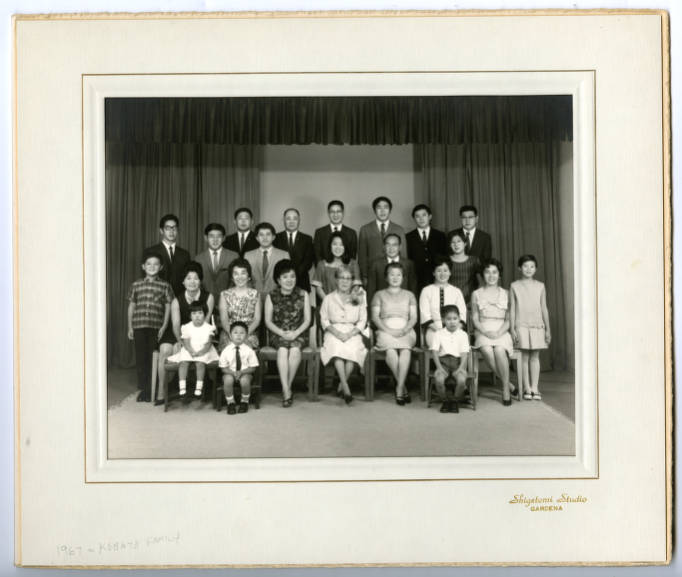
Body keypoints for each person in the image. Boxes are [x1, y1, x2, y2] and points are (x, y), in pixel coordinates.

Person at [156, 262, 215, 405]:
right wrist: (182, 342)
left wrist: (193, 344)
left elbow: (206, 325)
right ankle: (161, 392)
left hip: (200, 334)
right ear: (183, 281)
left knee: (193, 351)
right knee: (166, 349)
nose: (192, 282)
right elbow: (176, 324)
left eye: (195, 278)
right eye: (188, 278)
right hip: (179, 333)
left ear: (200, 281)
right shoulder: (177, 300)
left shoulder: (208, 297)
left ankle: (195, 388)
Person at [127, 251, 173, 402]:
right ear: (143, 266)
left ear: (160, 267)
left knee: (153, 356)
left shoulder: (165, 285)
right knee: (141, 358)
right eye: (149, 264)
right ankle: (144, 389)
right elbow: (132, 306)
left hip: (155, 326)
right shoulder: (136, 285)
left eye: (155, 264)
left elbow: (168, 307)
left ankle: (153, 388)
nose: (152, 267)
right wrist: (130, 327)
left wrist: (164, 326)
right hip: (139, 326)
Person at [264, 260, 311, 407]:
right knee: (283, 350)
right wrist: (281, 333)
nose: (289, 280)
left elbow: (308, 320)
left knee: (295, 350)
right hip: (278, 333)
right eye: (285, 277)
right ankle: (287, 389)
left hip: (299, 333)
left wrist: (296, 332)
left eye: (292, 276)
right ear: (278, 279)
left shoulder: (303, 294)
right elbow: (268, 321)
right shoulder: (271, 295)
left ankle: (286, 389)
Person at [319, 266, 368, 404]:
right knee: (336, 349)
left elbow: (363, 320)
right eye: (341, 278)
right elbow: (324, 319)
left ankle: (342, 384)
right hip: (333, 331)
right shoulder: (328, 298)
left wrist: (350, 334)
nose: (345, 281)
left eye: (348, 278)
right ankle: (346, 386)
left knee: (352, 350)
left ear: (352, 281)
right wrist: (337, 333)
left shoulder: (358, 297)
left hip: (352, 331)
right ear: (336, 280)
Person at [370, 262, 418, 405]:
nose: (395, 277)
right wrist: (388, 330)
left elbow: (414, 317)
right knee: (390, 350)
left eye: (398, 275)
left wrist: (404, 329)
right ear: (386, 277)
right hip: (385, 329)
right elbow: (375, 317)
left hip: (406, 329)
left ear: (403, 277)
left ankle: (399, 387)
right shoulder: (379, 294)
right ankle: (401, 388)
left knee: (405, 349)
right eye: (392, 274)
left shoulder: (409, 295)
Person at [471, 258, 516, 406]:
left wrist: (499, 332)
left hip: (501, 329)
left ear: (499, 274)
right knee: (486, 349)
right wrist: (484, 331)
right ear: (483, 275)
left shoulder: (507, 293)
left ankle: (505, 389)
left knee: (499, 349)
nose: (491, 276)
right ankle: (508, 383)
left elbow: (509, 319)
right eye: (487, 272)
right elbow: (475, 318)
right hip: (483, 329)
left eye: (494, 272)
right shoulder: (476, 294)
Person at [510, 254, 551, 401]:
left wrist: (548, 329)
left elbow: (544, 308)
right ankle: (527, 387)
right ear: (519, 268)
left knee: (535, 356)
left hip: (537, 325)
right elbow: (513, 309)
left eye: (532, 266)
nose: (529, 269)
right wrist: (513, 328)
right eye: (525, 266)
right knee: (524, 356)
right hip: (521, 324)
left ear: (536, 269)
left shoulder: (540, 286)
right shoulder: (514, 286)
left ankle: (535, 387)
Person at [167, 301, 219, 398]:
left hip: (204, 349)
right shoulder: (186, 327)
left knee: (200, 363)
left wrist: (200, 352)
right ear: (190, 316)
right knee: (183, 363)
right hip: (189, 348)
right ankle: (182, 387)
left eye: (200, 313)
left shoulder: (208, 328)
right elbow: (186, 342)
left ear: (204, 314)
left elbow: (208, 344)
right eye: (194, 313)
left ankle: (199, 387)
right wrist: (191, 351)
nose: (197, 316)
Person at [430, 305, 471, 414]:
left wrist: (461, 368)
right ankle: (445, 401)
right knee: (438, 380)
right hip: (443, 362)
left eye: (455, 318)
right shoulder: (439, 333)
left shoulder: (463, 334)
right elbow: (434, 352)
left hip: (458, 362)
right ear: (443, 320)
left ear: (459, 319)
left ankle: (454, 401)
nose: (452, 322)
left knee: (462, 380)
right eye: (448, 319)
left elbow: (464, 353)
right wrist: (439, 368)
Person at [419, 256, 467, 348]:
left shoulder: (456, 291)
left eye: (445, 270)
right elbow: (425, 315)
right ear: (433, 273)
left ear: (450, 272)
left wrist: (452, 331)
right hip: (434, 330)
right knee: (442, 344)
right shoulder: (426, 291)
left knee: (459, 344)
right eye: (439, 271)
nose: (442, 274)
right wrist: (441, 331)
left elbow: (462, 316)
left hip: (455, 329)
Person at [358, 196, 407, 285]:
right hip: (373, 275)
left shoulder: (399, 229)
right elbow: (362, 256)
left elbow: (403, 254)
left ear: (390, 210)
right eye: (379, 207)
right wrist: (364, 276)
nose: (382, 211)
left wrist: (402, 274)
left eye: (386, 207)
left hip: (394, 275)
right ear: (374, 210)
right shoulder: (365, 229)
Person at [218, 258, 262, 351]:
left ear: (249, 276)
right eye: (236, 273)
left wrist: (244, 334)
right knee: (230, 348)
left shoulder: (255, 294)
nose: (240, 277)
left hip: (249, 333)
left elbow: (257, 319)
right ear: (231, 277)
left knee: (246, 349)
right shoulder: (224, 294)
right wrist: (233, 334)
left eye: (243, 273)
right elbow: (224, 319)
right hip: (229, 333)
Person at [219, 321, 259, 415]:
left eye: (242, 333)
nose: (238, 335)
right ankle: (230, 403)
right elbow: (223, 368)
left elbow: (253, 367)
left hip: (245, 372)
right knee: (228, 380)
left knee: (244, 381)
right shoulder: (226, 350)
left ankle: (244, 401)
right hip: (230, 372)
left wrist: (241, 372)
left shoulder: (249, 350)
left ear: (246, 335)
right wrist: (233, 373)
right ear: (230, 335)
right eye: (235, 332)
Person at [193, 223, 238, 306]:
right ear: (206, 238)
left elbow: (236, 281)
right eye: (211, 236)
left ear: (224, 238)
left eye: (218, 236)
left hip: (229, 302)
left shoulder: (234, 256)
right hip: (204, 303)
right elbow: (197, 282)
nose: (215, 239)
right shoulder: (198, 259)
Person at [146, 213, 191, 297]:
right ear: (161, 230)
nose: (171, 231)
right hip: (156, 298)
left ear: (178, 230)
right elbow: (146, 279)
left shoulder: (185, 254)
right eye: (167, 228)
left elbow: (187, 278)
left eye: (174, 228)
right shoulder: (151, 251)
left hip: (179, 299)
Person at [406, 204, 448, 293]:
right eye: (417, 216)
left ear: (430, 216)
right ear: (414, 219)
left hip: (437, 278)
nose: (421, 219)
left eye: (424, 215)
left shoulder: (441, 236)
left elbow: (445, 257)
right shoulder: (408, 237)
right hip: (416, 279)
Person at [312, 231, 362, 304]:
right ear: (330, 246)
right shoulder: (322, 264)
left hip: (348, 305)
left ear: (345, 247)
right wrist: (329, 302)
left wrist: (347, 301)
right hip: (328, 305)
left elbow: (356, 286)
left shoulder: (353, 264)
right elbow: (318, 288)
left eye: (341, 245)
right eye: (335, 244)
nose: (338, 248)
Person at [366, 233, 417, 304]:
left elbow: (413, 290)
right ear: (384, 247)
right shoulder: (375, 265)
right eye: (388, 245)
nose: (391, 248)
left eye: (394, 245)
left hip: (403, 306)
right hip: (382, 306)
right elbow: (371, 291)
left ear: (400, 247)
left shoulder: (409, 264)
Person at [274, 208, 315, 293]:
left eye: (295, 218)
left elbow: (308, 262)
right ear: (283, 220)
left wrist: (294, 275)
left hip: (302, 283)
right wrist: (285, 276)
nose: (291, 221)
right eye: (288, 218)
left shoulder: (307, 239)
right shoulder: (276, 238)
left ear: (299, 220)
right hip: (281, 283)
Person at [244, 222, 290, 296]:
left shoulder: (284, 255)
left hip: (277, 297)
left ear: (273, 237)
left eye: (268, 234)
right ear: (257, 238)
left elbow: (287, 278)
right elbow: (246, 278)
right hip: (253, 296)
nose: (265, 238)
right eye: (261, 235)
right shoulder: (248, 255)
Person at [447, 230, 481, 304]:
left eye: (459, 241)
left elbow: (480, 282)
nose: (456, 245)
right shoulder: (446, 261)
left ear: (465, 243)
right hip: (450, 300)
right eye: (453, 242)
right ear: (450, 245)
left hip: (470, 301)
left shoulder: (474, 260)